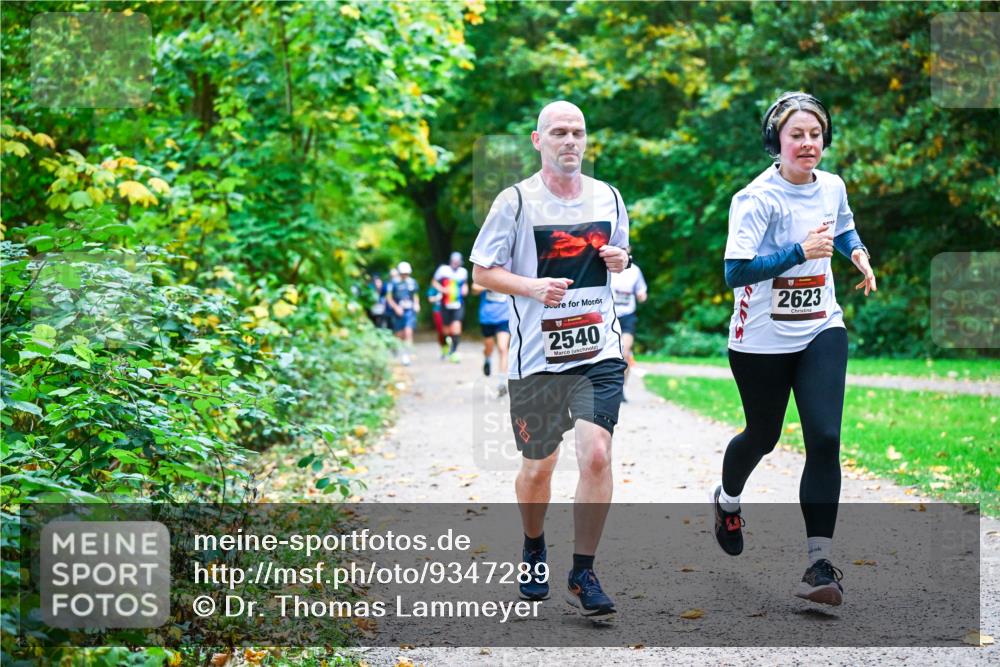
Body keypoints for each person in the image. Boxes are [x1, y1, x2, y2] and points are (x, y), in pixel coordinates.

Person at [714, 91, 877, 607]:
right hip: (760, 340)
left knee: (825, 438)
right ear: (775, 142)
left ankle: (819, 563)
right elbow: (735, 271)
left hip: (820, 327)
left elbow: (843, 226)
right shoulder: (756, 199)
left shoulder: (832, 186)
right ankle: (728, 500)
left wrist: (857, 253)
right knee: (762, 435)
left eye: (815, 135)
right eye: (796, 135)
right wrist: (798, 253)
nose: (808, 143)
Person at [470, 100, 630, 620]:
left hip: (598, 350)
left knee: (597, 454)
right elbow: (482, 272)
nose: (570, 141)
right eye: (559, 132)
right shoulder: (515, 202)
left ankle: (583, 572)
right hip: (538, 358)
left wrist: (621, 259)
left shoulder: (608, 196)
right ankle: (534, 544)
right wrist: (532, 287)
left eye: (577, 132)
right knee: (539, 467)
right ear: (538, 141)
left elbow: (622, 256)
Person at [609, 251, 647, 394]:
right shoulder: (606, 267)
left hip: (627, 316)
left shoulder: (635, 270)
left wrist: (642, 296)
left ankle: (621, 388)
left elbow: (642, 291)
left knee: (625, 352)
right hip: (608, 315)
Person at [472, 281, 511, 396]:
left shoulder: (508, 274)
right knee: (489, 347)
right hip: (487, 317)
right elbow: (474, 289)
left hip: (504, 317)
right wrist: (491, 284)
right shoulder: (486, 274)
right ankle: (487, 360)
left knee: (503, 348)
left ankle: (502, 383)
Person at [432, 251, 469, 362]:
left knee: (456, 327)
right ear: (451, 261)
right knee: (446, 331)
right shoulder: (443, 270)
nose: (456, 264)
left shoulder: (463, 272)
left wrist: (465, 289)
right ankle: (445, 347)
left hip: (458, 304)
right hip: (445, 304)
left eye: (458, 262)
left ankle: (454, 352)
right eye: (455, 262)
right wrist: (443, 289)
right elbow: (434, 282)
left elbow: (465, 284)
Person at [386, 261, 420, 366]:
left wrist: (416, 304)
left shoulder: (412, 282)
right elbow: (389, 298)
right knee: (399, 334)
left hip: (409, 311)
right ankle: (395, 348)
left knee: (408, 332)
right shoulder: (393, 283)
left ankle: (406, 355)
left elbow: (415, 295)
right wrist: (396, 308)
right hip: (398, 312)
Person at [426, 284, 448, 358]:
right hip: (438, 311)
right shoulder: (434, 286)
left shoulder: (451, 283)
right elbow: (430, 299)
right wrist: (438, 298)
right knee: (441, 332)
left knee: (451, 330)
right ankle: (444, 348)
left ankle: (452, 349)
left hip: (450, 310)